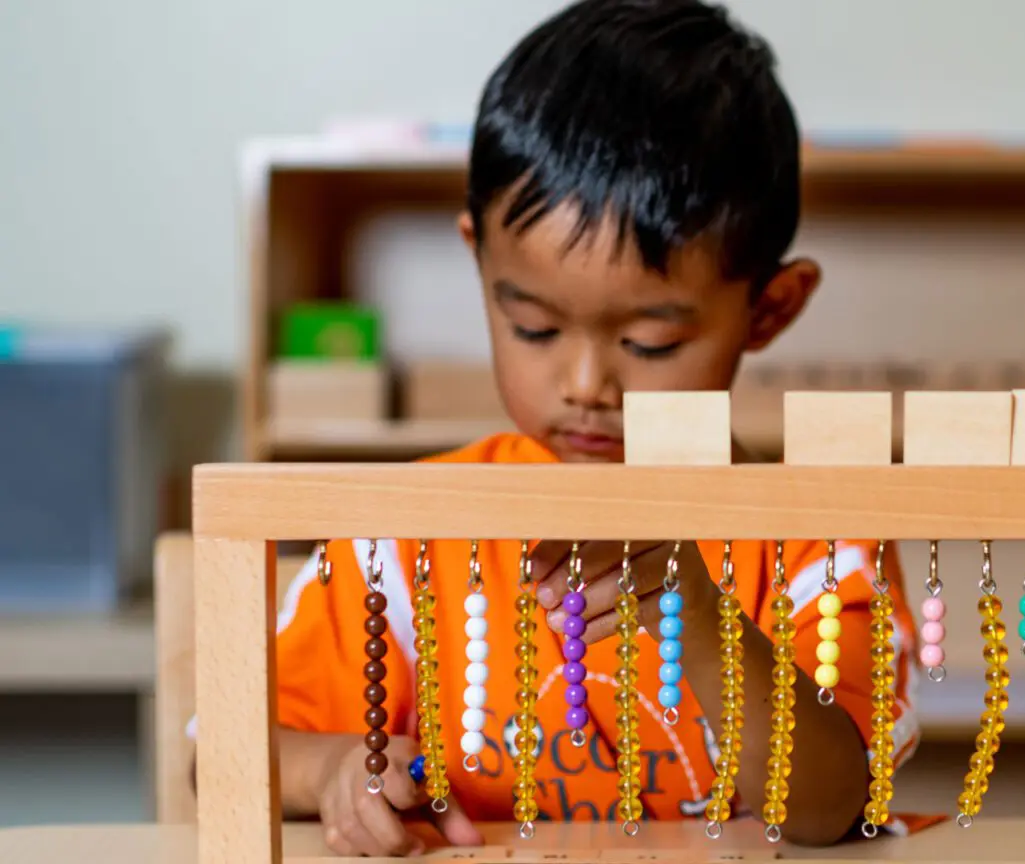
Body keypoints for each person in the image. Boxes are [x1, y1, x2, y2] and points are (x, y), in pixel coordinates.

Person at [251, 0, 921, 856]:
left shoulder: (819, 547)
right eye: (534, 327)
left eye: (650, 341)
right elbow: (230, 751)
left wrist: (697, 612)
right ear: (481, 265)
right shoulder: (406, 535)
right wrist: (338, 769)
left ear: (770, 309)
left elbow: (835, 807)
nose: (584, 385)